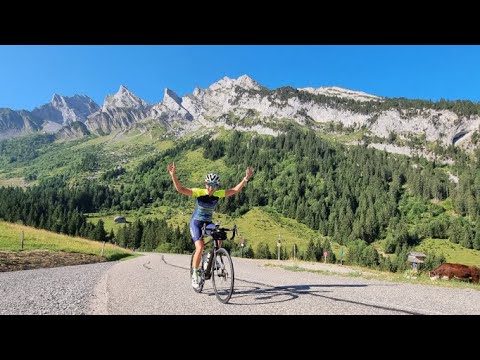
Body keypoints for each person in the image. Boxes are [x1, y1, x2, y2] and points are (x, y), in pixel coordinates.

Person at [167, 162, 254, 289]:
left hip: (208, 223)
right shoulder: (199, 192)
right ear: (205, 184)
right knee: (200, 246)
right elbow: (180, 189)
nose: (210, 187)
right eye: (208, 184)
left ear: (217, 186)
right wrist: (173, 175)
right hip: (196, 223)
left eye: (213, 185)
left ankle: (210, 258)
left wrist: (245, 178)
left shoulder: (218, 194)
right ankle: (195, 274)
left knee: (219, 237)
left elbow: (235, 190)